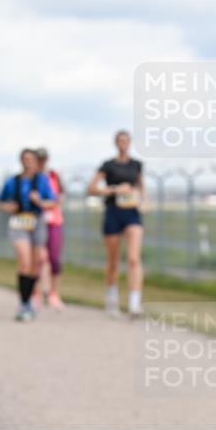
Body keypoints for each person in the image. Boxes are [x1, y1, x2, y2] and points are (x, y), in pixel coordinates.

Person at [87, 130, 146, 319]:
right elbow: (92, 189)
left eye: (127, 141)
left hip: (132, 213)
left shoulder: (137, 165)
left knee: (134, 259)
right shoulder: (108, 165)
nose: (124, 144)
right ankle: (112, 298)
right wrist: (114, 190)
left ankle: (135, 303)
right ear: (116, 143)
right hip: (113, 212)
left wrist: (143, 200)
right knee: (113, 261)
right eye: (120, 141)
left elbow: (141, 186)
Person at [0, 149, 57, 321]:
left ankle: (30, 300)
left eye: (31, 159)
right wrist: (9, 207)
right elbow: (0, 202)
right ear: (21, 161)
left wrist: (39, 201)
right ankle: (23, 303)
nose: (28, 162)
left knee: (34, 265)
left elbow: (52, 203)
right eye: (25, 159)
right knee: (24, 262)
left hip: (37, 222)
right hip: (19, 223)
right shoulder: (12, 182)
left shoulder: (42, 181)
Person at [35, 147, 66, 310]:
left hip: (54, 220)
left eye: (44, 159)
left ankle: (54, 293)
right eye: (39, 159)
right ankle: (39, 292)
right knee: (40, 259)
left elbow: (61, 196)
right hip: (37, 221)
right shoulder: (32, 177)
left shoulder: (54, 176)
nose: (42, 162)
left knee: (54, 259)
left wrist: (51, 204)